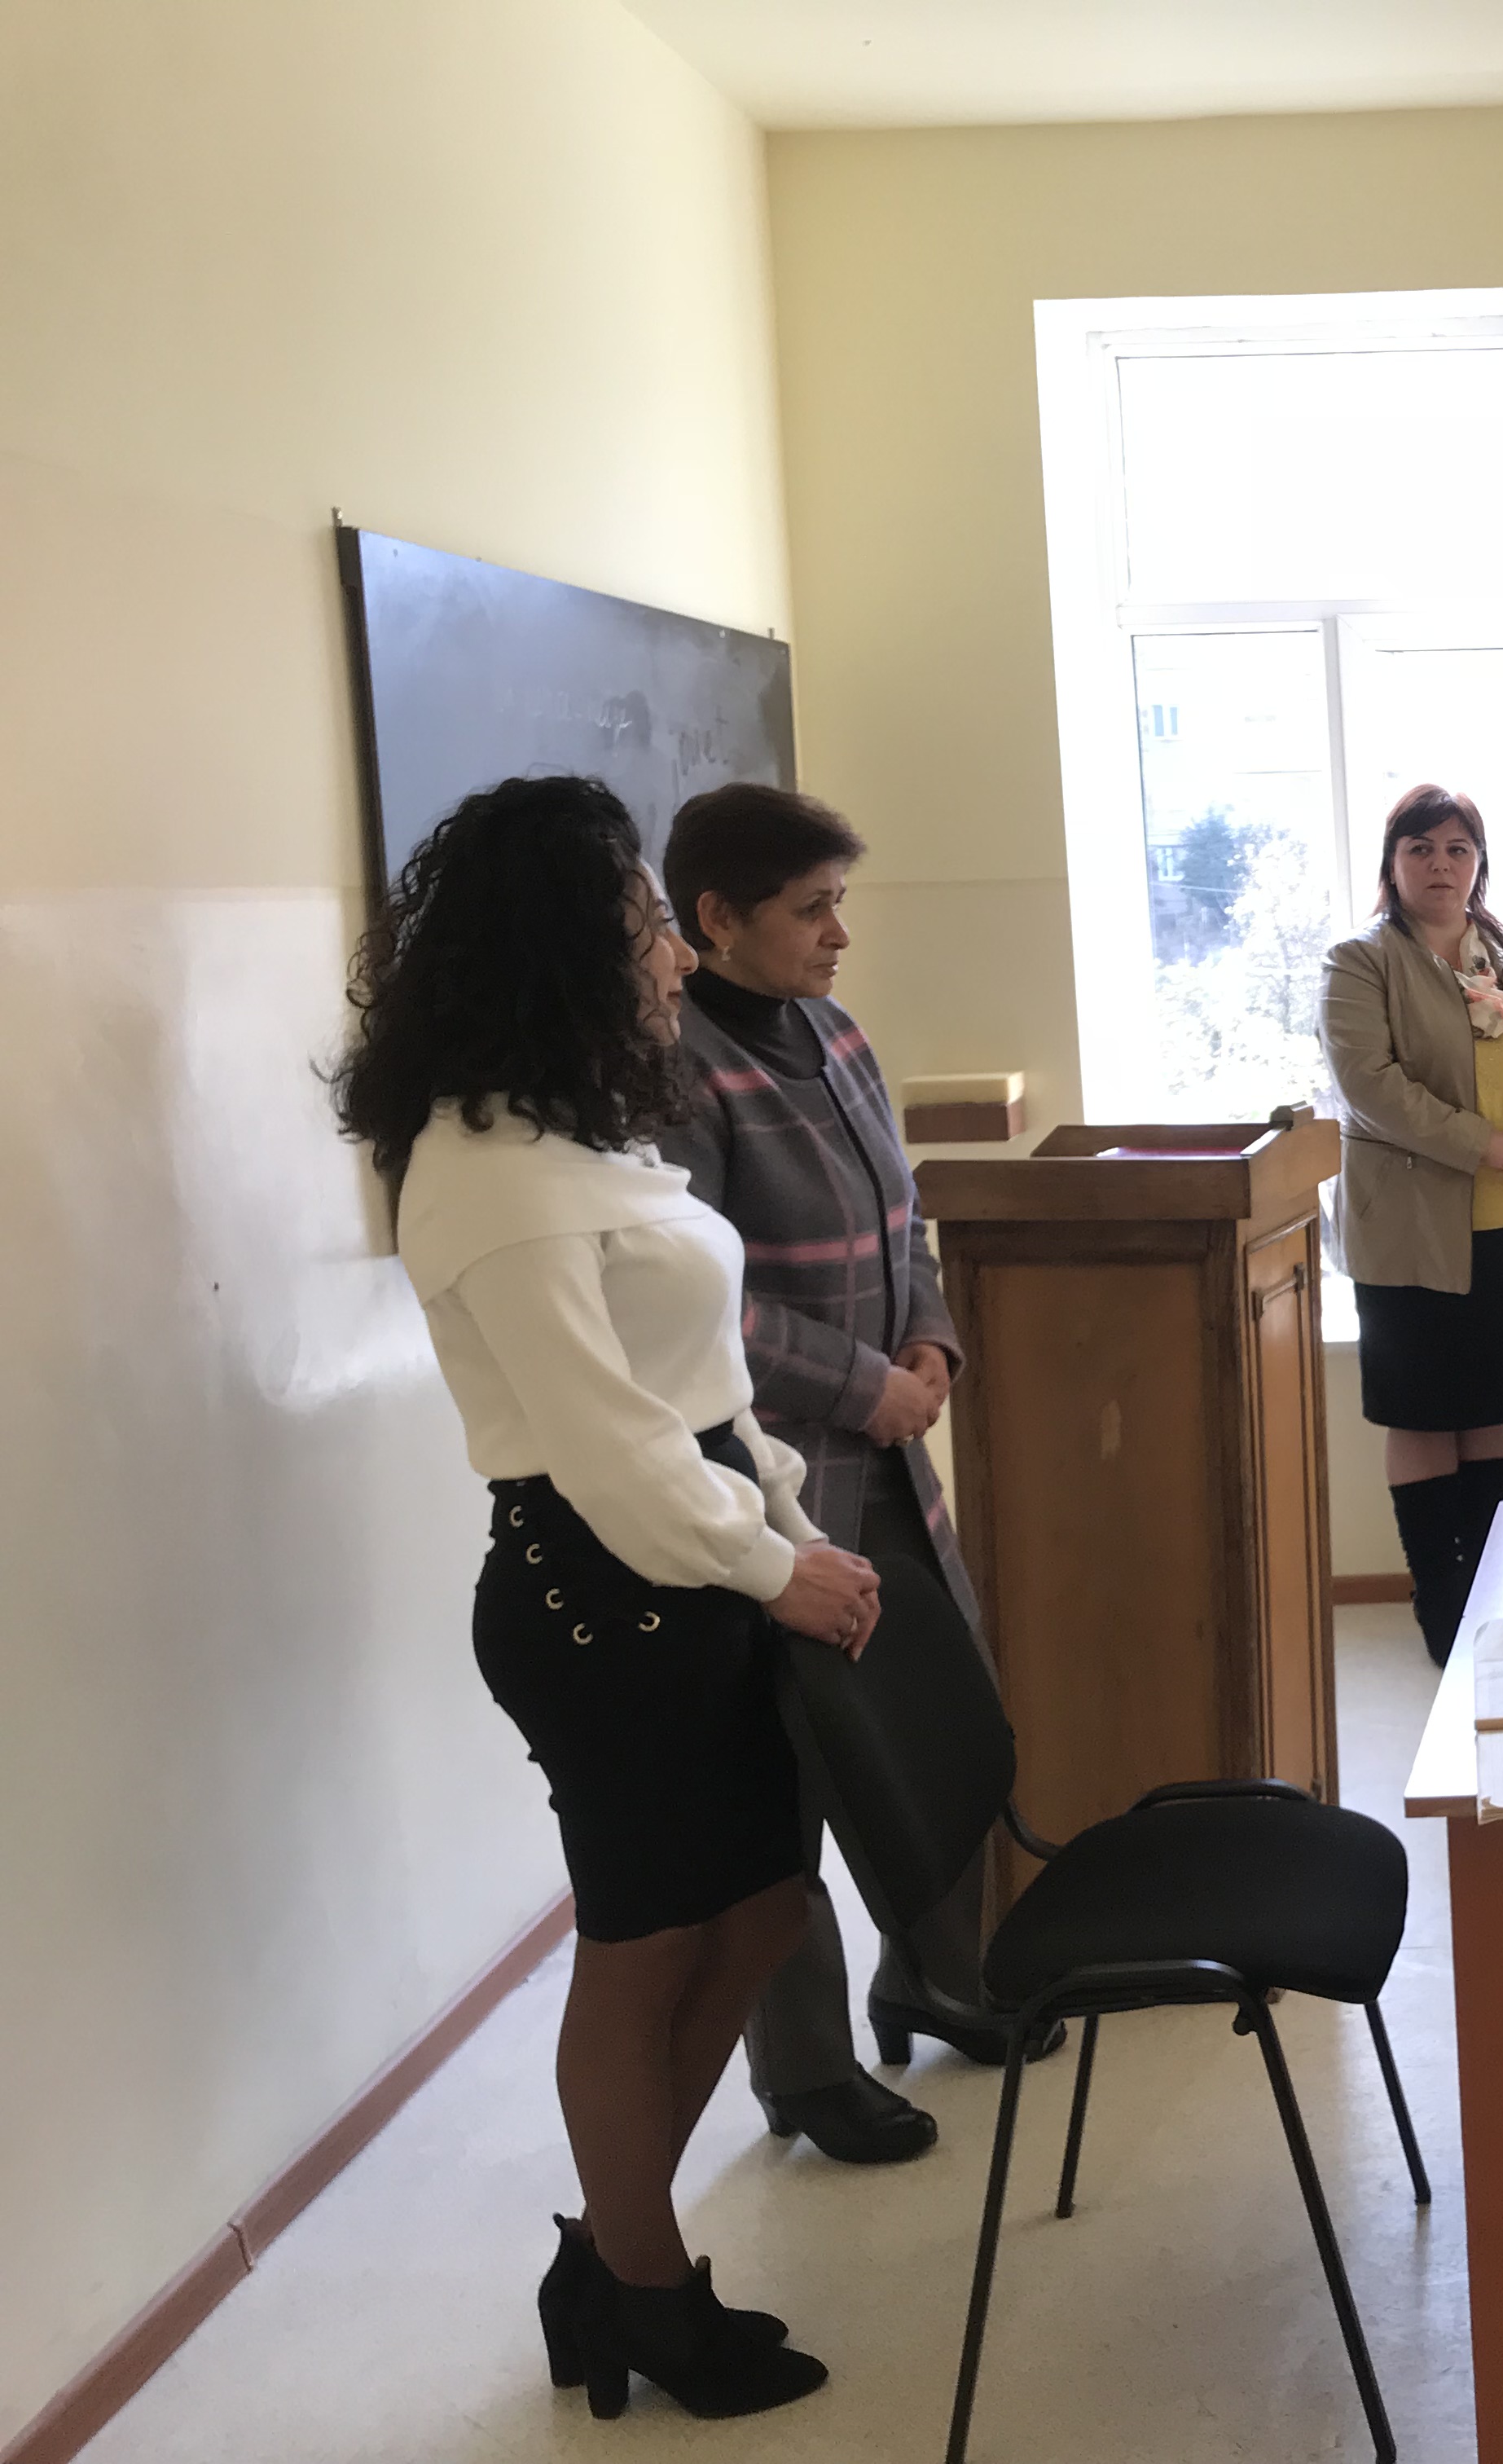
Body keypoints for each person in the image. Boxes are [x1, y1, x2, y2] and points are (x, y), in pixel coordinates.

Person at [337, 775, 861, 2418]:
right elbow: (608, 1448)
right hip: (599, 1596)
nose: (669, 948)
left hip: (690, 1559)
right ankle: (646, 2286)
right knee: (642, 1948)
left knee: (762, 1907)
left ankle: (608, 2250)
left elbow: (696, 1388)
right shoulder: (481, 1166)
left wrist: (784, 1523)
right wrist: (779, 1565)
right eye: (643, 920)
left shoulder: (575, 1129)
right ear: (566, 942)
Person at [657, 782, 1053, 2170]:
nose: (839, 935)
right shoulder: (678, 1067)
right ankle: (807, 2070)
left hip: (889, 1454)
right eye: (811, 909)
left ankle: (941, 1975)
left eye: (840, 904)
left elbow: (906, 1217)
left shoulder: (834, 1032)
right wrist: (861, 1382)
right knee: (792, 1770)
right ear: (718, 917)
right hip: (772, 1481)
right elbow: (695, 1300)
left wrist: (931, 1337)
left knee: (927, 1718)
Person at [1321, 784, 1503, 1663]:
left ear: (1479, 863)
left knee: (1489, 1411)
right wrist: (1483, 1144)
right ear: (1392, 862)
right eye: (1421, 848)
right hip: (1408, 1233)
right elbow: (1371, 1088)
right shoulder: (1362, 963)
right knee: (1422, 1416)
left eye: (1458, 848)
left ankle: (1491, 1589)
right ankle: (1440, 1601)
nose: (1441, 865)